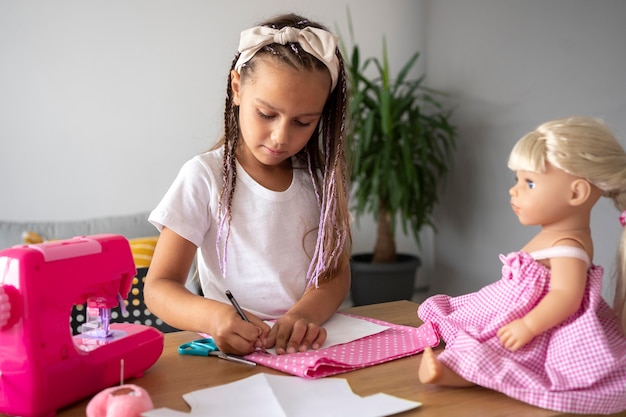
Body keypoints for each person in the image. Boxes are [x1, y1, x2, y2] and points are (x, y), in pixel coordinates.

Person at [144, 13, 351, 357]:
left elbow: (334, 275)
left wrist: (302, 316)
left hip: (313, 348)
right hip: (237, 356)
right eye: (267, 114)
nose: (281, 137)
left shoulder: (319, 182)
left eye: (302, 122)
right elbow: (159, 288)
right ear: (237, 88)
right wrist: (217, 318)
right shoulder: (205, 177)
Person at [417, 116, 626, 414]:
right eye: (517, 180)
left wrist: (529, 325)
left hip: (541, 324)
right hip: (512, 309)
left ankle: (455, 372)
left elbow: (566, 296)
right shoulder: (557, 237)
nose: (514, 191)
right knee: (467, 325)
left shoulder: (569, 248)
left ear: (576, 193)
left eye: (529, 183)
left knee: (504, 354)